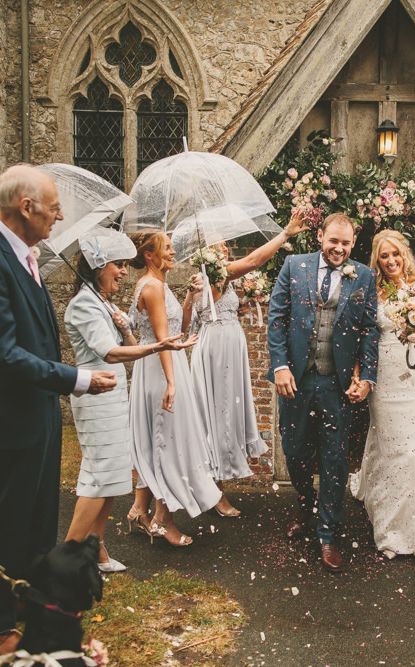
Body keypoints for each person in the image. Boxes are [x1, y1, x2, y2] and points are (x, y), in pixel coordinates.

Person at [0, 165, 116, 652]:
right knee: (9, 521)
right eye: (53, 205)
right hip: (13, 423)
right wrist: (78, 378)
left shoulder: (27, 257)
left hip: (40, 419)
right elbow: (6, 354)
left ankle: (29, 611)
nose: (60, 214)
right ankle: (4, 629)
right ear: (26, 207)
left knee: (36, 518)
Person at [64, 230, 196, 571]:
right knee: (97, 480)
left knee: (109, 480)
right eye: (118, 265)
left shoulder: (101, 303)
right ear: (97, 267)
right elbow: (108, 354)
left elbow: (125, 345)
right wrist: (158, 346)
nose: (124, 271)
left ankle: (97, 549)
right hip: (94, 399)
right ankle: (67, 560)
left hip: (111, 396)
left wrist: (123, 327)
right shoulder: (83, 305)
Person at [268, 212, 379, 572]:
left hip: (336, 384)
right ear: (320, 237)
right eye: (334, 241)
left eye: (346, 244)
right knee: (295, 450)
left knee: (334, 460)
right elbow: (277, 318)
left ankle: (328, 534)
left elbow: (368, 331)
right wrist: (281, 366)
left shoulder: (363, 275)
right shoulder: (293, 266)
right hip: (297, 380)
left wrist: (367, 377)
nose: (340, 249)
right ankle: (305, 504)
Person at [190, 211, 308, 516]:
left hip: (227, 348)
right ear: (208, 255)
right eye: (220, 246)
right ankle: (214, 493)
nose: (226, 249)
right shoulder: (215, 275)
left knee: (224, 416)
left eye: (226, 246)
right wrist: (285, 234)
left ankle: (212, 488)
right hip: (217, 353)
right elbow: (254, 260)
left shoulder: (215, 278)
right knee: (217, 417)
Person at [350, 230, 415, 560]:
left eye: (395, 254)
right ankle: (389, 528)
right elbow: (364, 335)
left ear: (404, 254)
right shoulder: (372, 290)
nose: (391, 260)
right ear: (377, 260)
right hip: (384, 375)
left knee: (410, 450)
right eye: (384, 256)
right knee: (390, 449)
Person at [126, 231, 221, 547]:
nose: (172, 251)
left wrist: (191, 296)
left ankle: (142, 510)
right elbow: (164, 341)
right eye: (166, 248)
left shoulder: (158, 285)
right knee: (167, 441)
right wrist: (170, 382)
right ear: (150, 256)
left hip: (163, 362)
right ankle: (161, 521)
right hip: (160, 367)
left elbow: (177, 330)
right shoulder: (151, 288)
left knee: (162, 439)